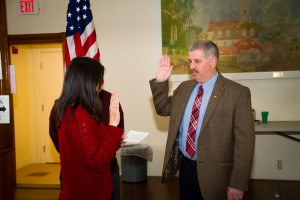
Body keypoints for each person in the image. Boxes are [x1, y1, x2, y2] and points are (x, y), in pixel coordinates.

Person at [149, 40, 255, 200]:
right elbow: (163, 109)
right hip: (185, 167)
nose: (192, 66)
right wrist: (161, 81)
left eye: (197, 61)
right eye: (190, 61)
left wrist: (237, 183)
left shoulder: (237, 93)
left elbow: (245, 143)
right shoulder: (184, 88)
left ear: (213, 61)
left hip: (216, 174)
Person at [54, 56, 124, 200]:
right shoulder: (79, 115)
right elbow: (96, 161)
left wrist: (115, 139)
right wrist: (112, 124)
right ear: (88, 82)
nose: (100, 85)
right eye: (98, 80)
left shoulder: (69, 109)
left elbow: (93, 141)